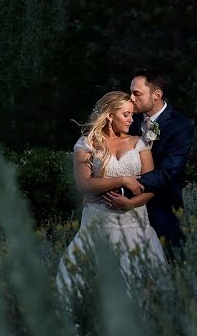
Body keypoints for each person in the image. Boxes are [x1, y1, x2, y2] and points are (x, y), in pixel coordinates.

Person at [57, 91, 166, 295]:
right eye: (125, 114)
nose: (131, 119)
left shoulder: (139, 143)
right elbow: (84, 185)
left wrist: (131, 204)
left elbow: (152, 187)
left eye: (132, 114)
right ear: (109, 115)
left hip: (135, 228)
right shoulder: (86, 144)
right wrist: (123, 180)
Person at [103, 69, 194, 256]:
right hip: (121, 212)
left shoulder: (181, 126)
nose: (131, 98)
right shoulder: (127, 119)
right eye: (130, 93)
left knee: (169, 266)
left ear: (157, 95)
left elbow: (170, 172)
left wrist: (125, 185)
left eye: (137, 93)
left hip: (163, 210)